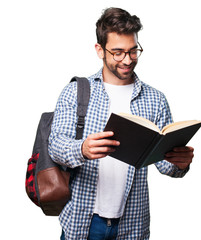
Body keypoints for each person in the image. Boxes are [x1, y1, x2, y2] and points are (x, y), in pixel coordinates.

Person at [48, 7, 194, 240]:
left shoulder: (155, 99)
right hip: (82, 221)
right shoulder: (76, 91)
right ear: (99, 50)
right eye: (117, 52)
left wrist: (180, 163)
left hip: (132, 224)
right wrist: (82, 149)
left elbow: (165, 166)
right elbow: (55, 145)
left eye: (133, 51)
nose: (127, 60)